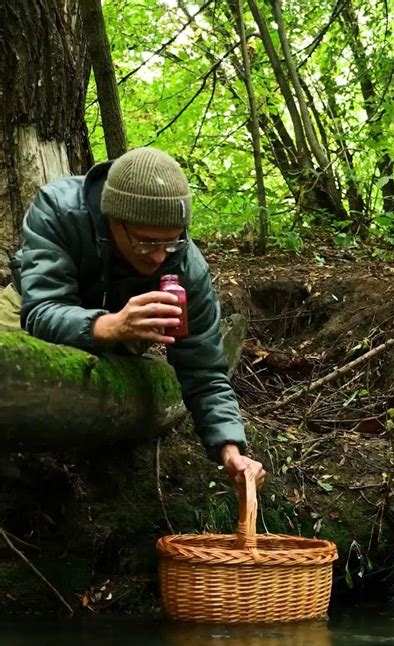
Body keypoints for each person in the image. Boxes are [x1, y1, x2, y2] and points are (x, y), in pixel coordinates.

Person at [0, 146, 264, 486]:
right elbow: (41, 310)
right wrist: (109, 325)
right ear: (112, 219)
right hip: (29, 310)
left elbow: (204, 367)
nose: (158, 257)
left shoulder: (185, 265)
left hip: (124, 329)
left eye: (171, 244)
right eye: (146, 243)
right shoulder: (58, 208)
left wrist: (230, 448)